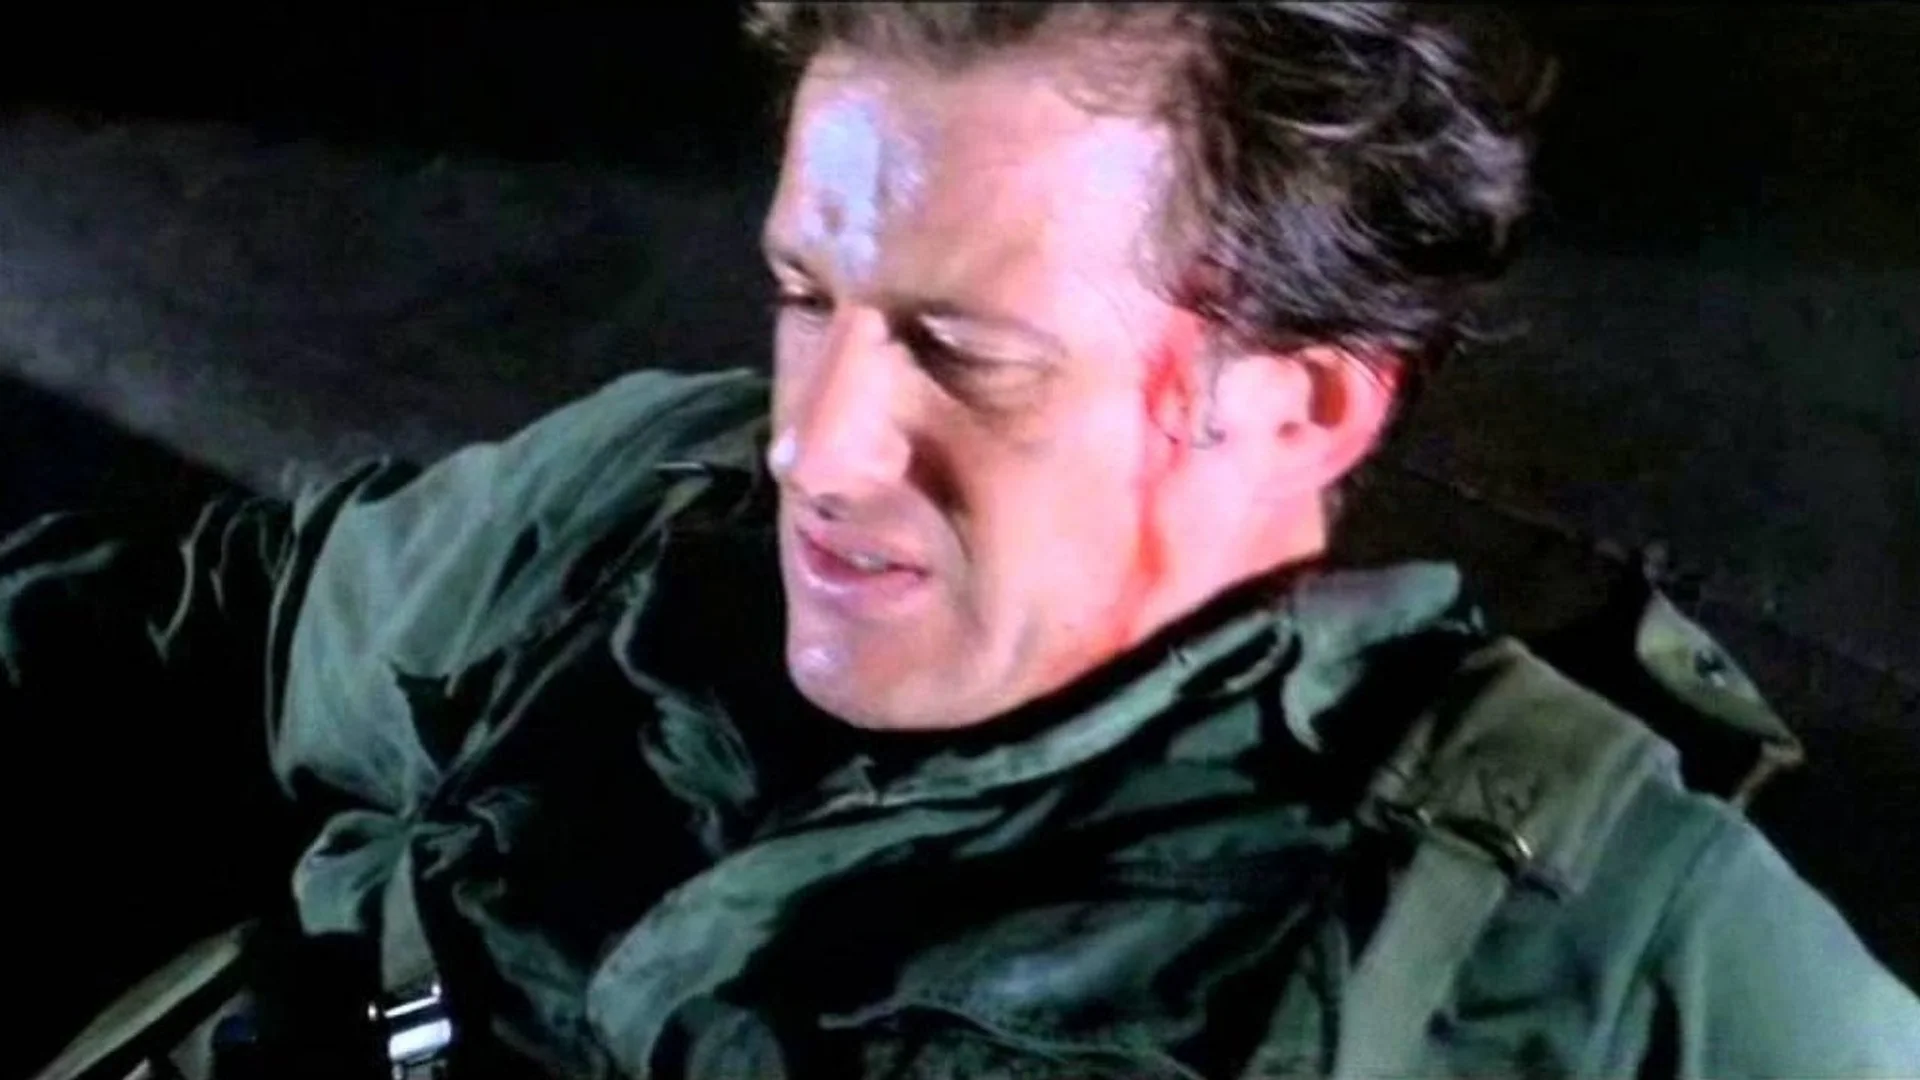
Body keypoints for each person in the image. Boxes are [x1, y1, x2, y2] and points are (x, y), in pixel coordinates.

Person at [19, 3, 1919, 1078]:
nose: (814, 444)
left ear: (1300, 404)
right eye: (806, 296)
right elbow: (188, 634)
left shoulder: (1582, 945)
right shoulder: (626, 525)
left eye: (964, 352)